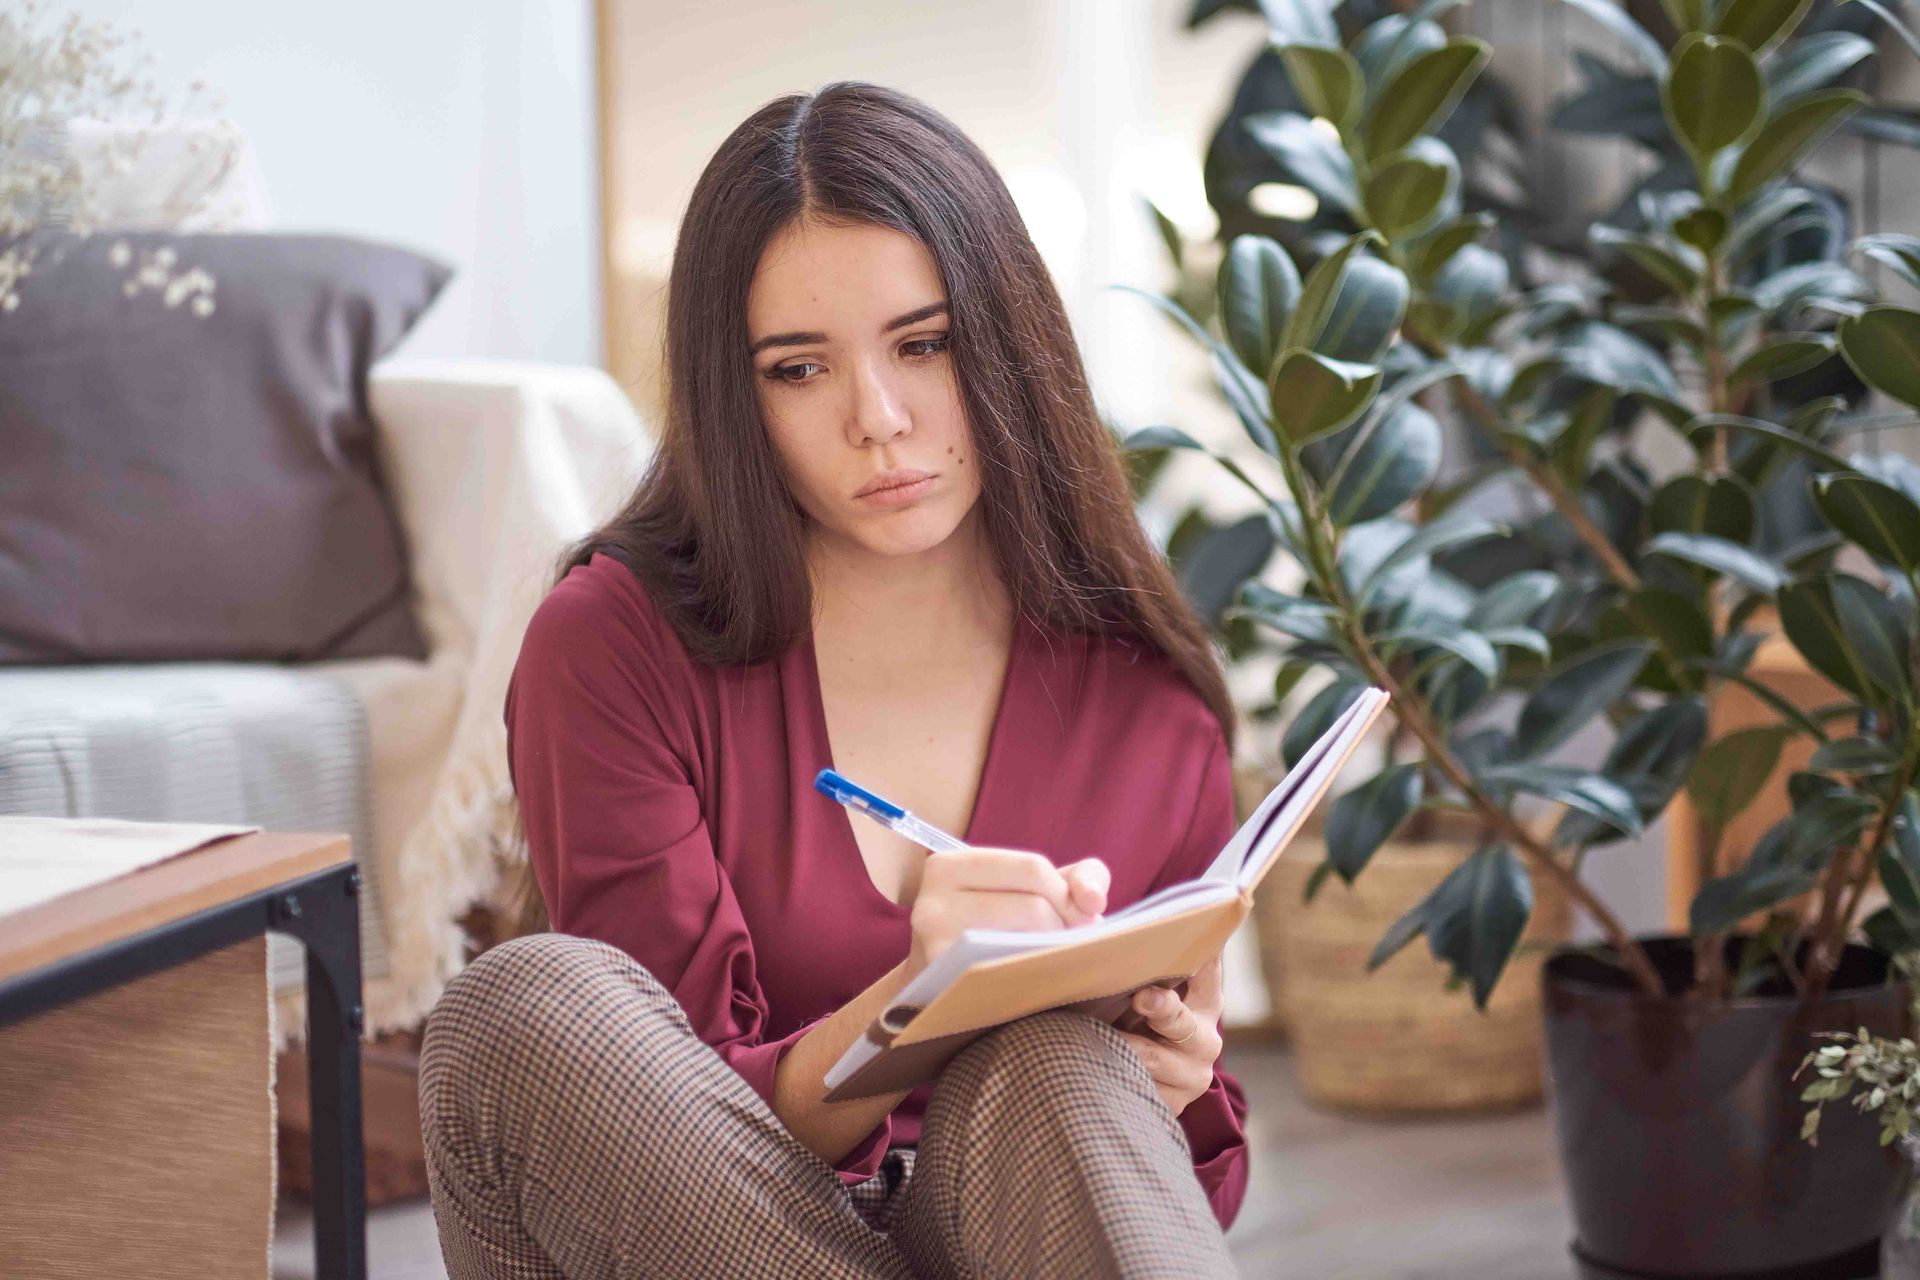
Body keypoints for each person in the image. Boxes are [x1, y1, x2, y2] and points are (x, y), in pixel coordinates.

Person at [418, 79, 1249, 1279]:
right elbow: (661, 1128)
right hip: (714, 1241)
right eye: (798, 370)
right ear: (734, 398)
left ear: (1005, 338)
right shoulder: (612, 646)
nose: (878, 418)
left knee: (1064, 1063)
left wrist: (1169, 1084)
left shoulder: (1148, 703)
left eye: (924, 343)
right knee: (525, 1007)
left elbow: (1195, 1186)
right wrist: (920, 1000)